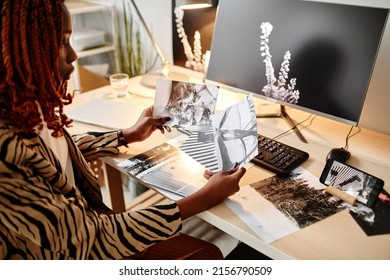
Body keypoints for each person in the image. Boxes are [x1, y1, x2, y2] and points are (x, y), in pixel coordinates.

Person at [0, 0, 246, 260]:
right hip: (74, 253)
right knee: (206, 255)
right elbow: (94, 239)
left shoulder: (25, 108)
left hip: (86, 222)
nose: (73, 55)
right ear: (21, 50)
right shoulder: (5, 154)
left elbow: (52, 154)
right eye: (62, 43)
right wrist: (204, 198)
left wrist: (126, 135)